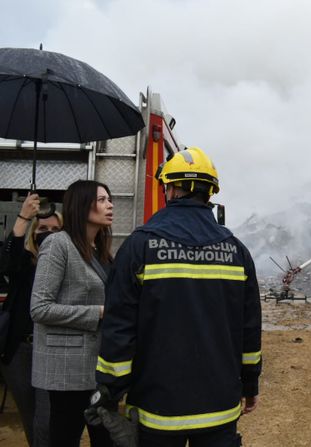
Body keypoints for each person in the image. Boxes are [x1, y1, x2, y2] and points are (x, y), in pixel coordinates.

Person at [93, 147, 262, 447]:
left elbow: (119, 328)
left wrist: (110, 391)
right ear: (210, 193)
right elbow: (249, 331)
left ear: (169, 189)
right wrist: (250, 382)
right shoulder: (237, 251)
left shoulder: (139, 246)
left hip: (157, 409)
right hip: (220, 408)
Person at [30, 180, 114, 447]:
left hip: (97, 368)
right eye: (101, 200)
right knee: (65, 438)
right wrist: (98, 312)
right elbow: (40, 308)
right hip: (67, 370)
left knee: (106, 439)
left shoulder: (99, 253)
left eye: (109, 199)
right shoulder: (58, 244)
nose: (109, 205)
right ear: (81, 205)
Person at [0, 193, 62, 446]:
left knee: (46, 419)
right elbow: (7, 262)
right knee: (29, 416)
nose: (48, 234)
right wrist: (24, 216)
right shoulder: (25, 263)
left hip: (53, 350)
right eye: (43, 229)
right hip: (20, 351)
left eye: (56, 230)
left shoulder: (68, 264)